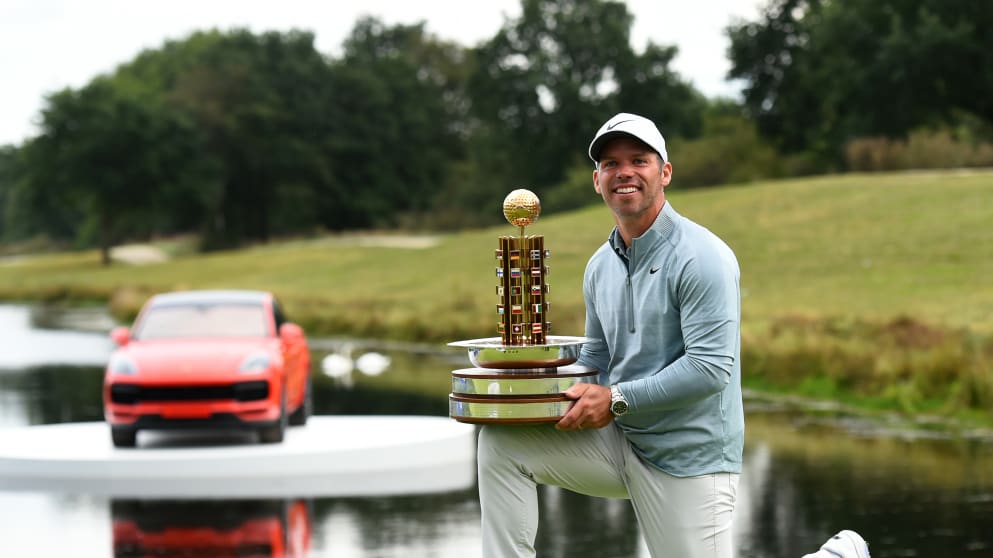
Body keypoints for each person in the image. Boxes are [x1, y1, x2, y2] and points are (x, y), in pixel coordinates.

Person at [476, 112, 744, 557]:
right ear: (596, 181)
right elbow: (597, 360)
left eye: (639, 160)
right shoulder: (601, 264)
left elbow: (710, 369)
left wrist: (615, 398)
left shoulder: (703, 257)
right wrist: (536, 389)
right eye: (610, 163)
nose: (624, 172)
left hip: (690, 460)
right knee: (502, 444)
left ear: (665, 172)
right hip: (622, 443)